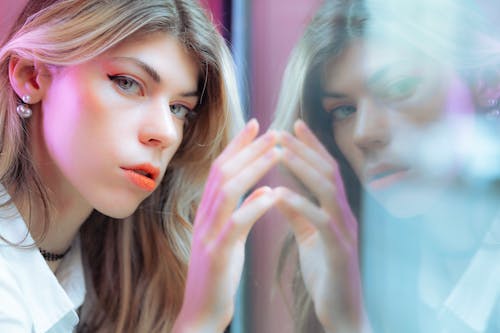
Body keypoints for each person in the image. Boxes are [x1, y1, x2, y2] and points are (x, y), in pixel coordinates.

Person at [0, 0, 281, 332]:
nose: (165, 132)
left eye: (180, 108)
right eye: (127, 83)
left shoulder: (107, 275)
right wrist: (201, 320)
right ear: (31, 76)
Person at [272, 0, 500, 332]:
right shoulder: (352, 269)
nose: (365, 133)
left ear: (482, 85)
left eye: (400, 87)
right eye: (343, 111)